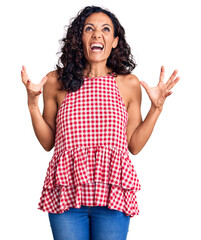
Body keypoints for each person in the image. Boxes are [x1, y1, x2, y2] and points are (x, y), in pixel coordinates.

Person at [21, 5, 180, 240]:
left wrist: (156, 108)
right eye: (89, 29)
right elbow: (47, 142)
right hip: (67, 195)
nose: (97, 34)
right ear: (80, 38)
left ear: (114, 41)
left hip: (112, 195)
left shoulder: (128, 84)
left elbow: (134, 145)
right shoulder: (56, 81)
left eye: (106, 29)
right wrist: (32, 104)